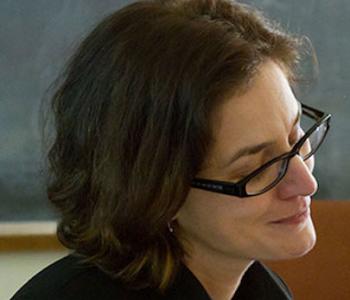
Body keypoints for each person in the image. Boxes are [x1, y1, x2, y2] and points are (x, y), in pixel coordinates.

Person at [11, 0, 331, 299]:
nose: (306, 183)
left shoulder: (260, 289)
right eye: (255, 169)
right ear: (155, 193)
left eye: (296, 137)